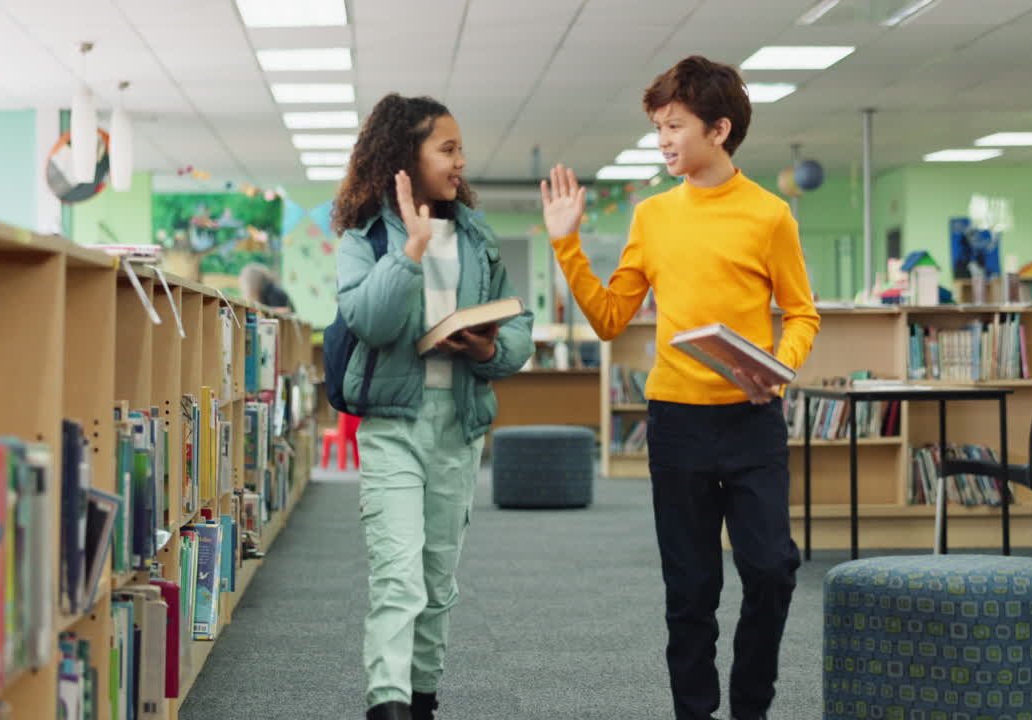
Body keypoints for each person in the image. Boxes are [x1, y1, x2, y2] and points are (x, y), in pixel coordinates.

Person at [541, 56, 820, 720]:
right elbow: (611, 319)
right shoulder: (654, 216)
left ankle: (750, 705)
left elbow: (802, 312)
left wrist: (777, 368)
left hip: (753, 422)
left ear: (718, 129)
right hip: (677, 422)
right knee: (691, 593)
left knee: (772, 571)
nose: (663, 140)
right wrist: (567, 246)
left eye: (674, 126)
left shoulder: (770, 214)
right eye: (658, 128)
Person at [334, 93, 534, 720]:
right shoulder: (364, 236)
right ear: (405, 157)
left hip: (458, 426)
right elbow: (369, 318)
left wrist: (488, 346)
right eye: (447, 149)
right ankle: (386, 704)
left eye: (459, 149)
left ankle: (422, 698)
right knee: (399, 577)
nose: (460, 161)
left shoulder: (478, 236)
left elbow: (518, 328)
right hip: (393, 426)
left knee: (438, 582)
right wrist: (410, 252)